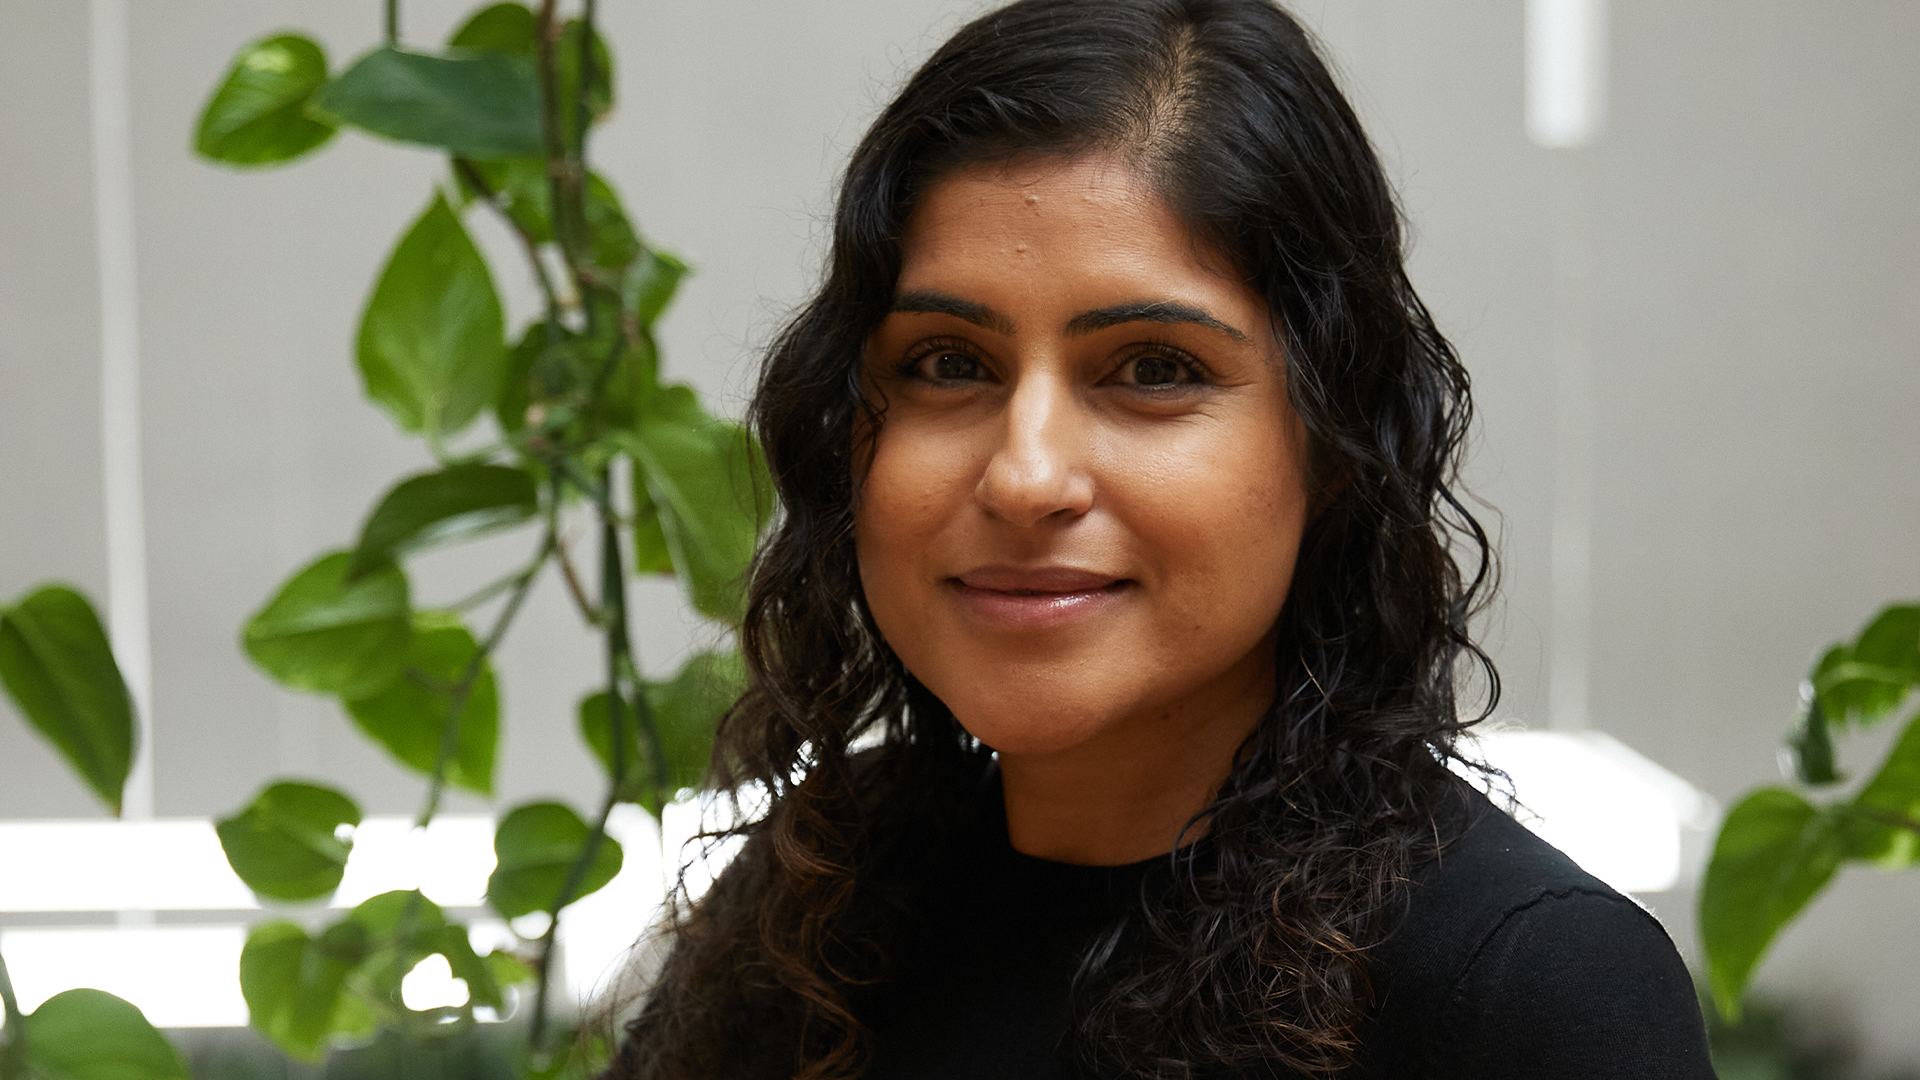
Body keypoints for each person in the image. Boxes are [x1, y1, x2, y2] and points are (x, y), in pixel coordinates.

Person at [606, 0, 1716, 1077]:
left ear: (1334, 442)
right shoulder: (817, 902)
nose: (1025, 476)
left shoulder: (1530, 988)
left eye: (1152, 369)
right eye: (949, 363)